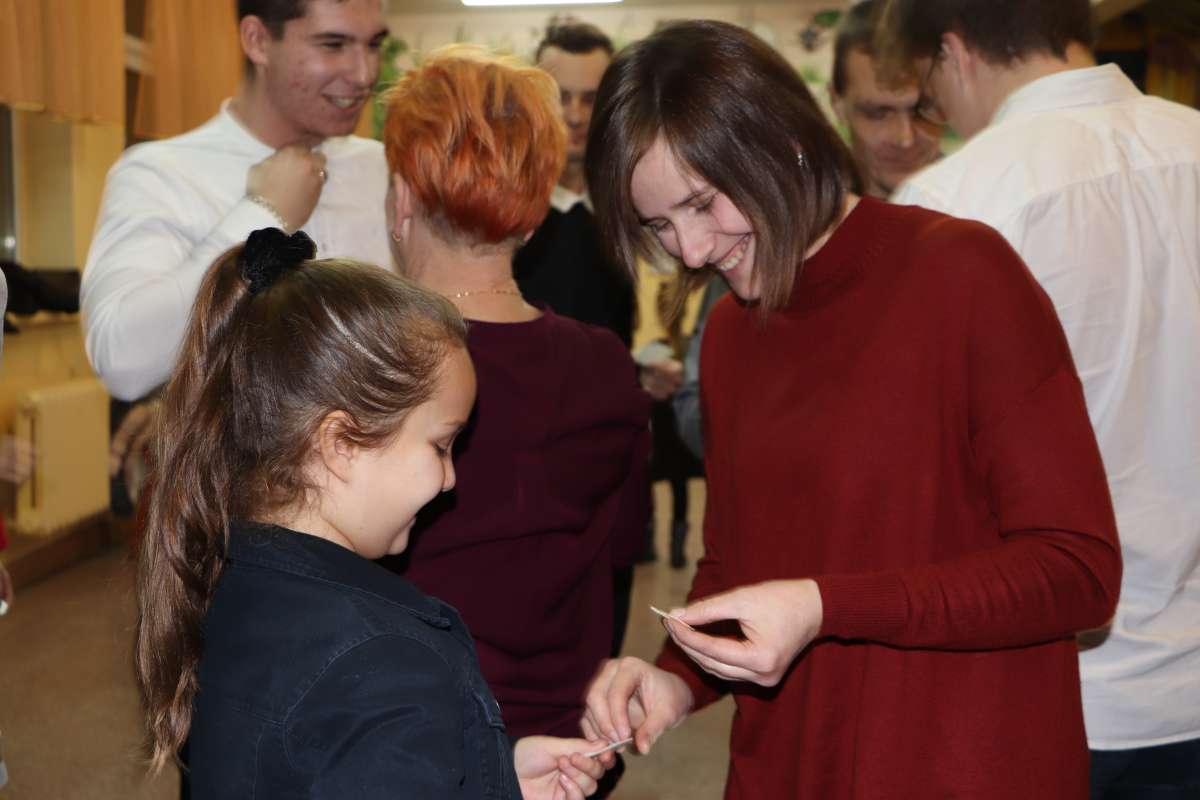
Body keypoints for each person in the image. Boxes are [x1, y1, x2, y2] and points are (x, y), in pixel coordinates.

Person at [579, 20, 1122, 798]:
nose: (692, 251)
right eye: (660, 225)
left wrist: (826, 605)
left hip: (958, 767)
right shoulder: (730, 332)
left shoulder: (962, 275)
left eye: (702, 204)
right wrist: (677, 678)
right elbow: (738, 563)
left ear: (781, 141)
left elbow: (1077, 571)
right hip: (791, 767)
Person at [134, 227, 614, 798]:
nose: (451, 479)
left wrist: (496, 776)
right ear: (339, 443)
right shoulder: (387, 671)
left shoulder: (226, 582)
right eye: (441, 446)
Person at [881, 1, 1200, 795]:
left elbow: (910, 472)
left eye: (930, 94)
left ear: (954, 53)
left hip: (1054, 692)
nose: (940, 118)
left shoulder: (951, 201)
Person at [378, 48, 648, 795]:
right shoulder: (603, 364)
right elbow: (621, 551)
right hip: (571, 748)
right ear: (532, 213)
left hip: (421, 744)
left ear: (401, 197)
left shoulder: (378, 369)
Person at [82, 0, 393, 494]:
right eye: (333, 45)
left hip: (387, 504)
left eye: (373, 44)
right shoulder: (162, 175)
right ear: (258, 40)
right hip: (239, 518)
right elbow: (122, 361)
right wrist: (263, 217)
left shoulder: (383, 170)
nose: (364, 73)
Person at [828, 0, 941, 198]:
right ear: (837, 104)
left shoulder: (983, 201)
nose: (905, 139)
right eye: (878, 114)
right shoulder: (810, 212)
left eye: (922, 110)